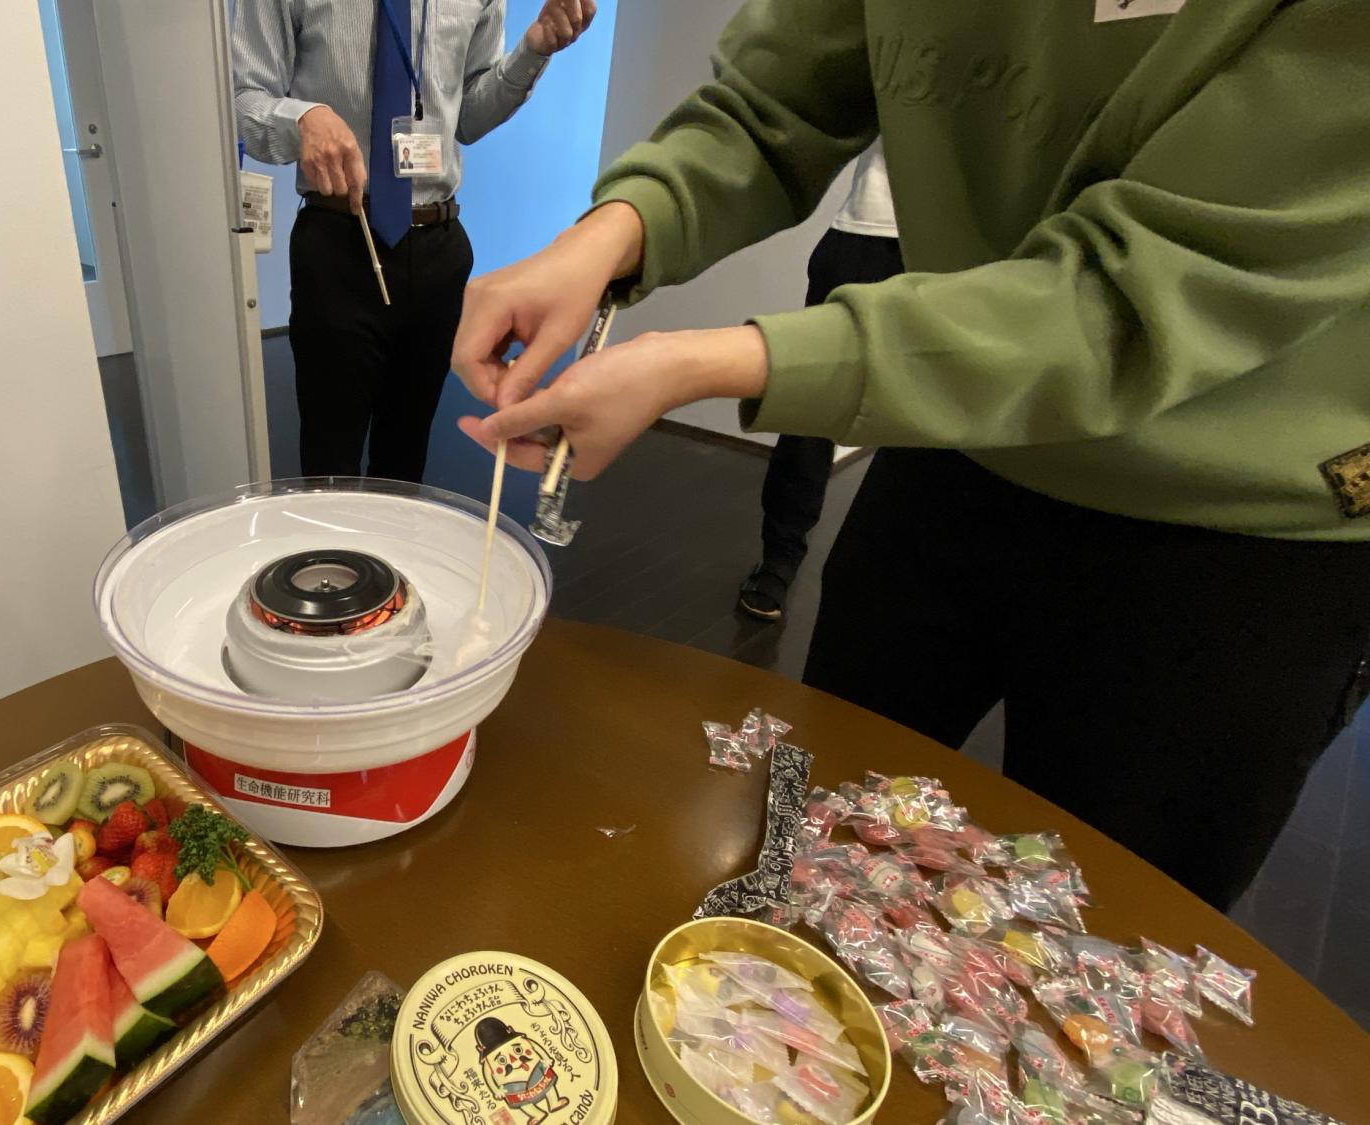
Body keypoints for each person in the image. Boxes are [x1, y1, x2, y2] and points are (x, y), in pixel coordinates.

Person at [449, 0, 1370, 910]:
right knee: (816, 844)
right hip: (958, 439)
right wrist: (612, 231)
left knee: (1111, 939)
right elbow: (775, 105)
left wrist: (699, 363)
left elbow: (1138, 296)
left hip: (1236, 529)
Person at [232, 0, 596, 481]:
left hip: (438, 247)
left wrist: (532, 51)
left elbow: (469, 116)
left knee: (406, 455)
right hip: (340, 241)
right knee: (329, 456)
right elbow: (243, 97)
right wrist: (300, 120)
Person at [738, 141, 901, 623]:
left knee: (937, 424)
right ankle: (779, 557)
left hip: (970, 251)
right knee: (812, 403)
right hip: (870, 230)